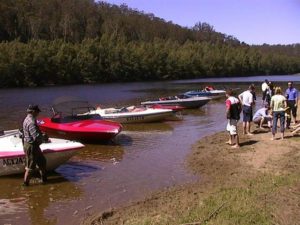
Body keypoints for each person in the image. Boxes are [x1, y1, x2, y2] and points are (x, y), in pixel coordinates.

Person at [22, 104, 47, 186]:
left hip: (31, 145)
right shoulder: (32, 122)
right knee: (30, 168)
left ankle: (44, 181)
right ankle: (25, 184)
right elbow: (36, 137)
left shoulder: (26, 119)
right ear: (33, 112)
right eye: (37, 112)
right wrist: (44, 138)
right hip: (32, 146)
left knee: (42, 162)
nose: (38, 113)